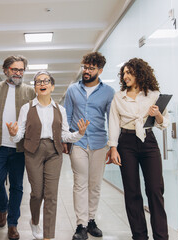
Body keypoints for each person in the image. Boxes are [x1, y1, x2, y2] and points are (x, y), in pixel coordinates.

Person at [6, 71, 90, 240]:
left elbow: (65, 135)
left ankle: (48, 236)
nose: (42, 84)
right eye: (38, 82)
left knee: (51, 194)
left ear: (52, 86)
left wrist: (79, 134)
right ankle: (35, 221)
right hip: (33, 151)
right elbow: (19, 134)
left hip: (54, 152)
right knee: (37, 193)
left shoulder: (60, 109)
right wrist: (13, 133)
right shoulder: (27, 108)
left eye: (46, 81)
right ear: (35, 87)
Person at [107, 58, 169, 240]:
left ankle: (161, 236)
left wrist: (157, 114)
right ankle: (139, 236)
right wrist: (113, 148)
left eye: (129, 72)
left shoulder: (153, 95)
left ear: (139, 73)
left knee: (155, 190)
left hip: (148, 141)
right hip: (126, 142)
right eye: (124, 73)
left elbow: (164, 124)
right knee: (132, 191)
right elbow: (113, 123)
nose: (125, 76)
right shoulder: (119, 97)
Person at [0, 55, 36, 240]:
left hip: (19, 148)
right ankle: (3, 208)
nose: (18, 73)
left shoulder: (30, 91)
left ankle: (13, 224)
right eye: (15, 69)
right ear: (6, 70)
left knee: (17, 186)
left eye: (21, 70)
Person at [64, 52, 115, 240]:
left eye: (91, 68)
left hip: (100, 143)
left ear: (100, 70)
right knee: (80, 183)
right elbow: (67, 118)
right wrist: (66, 140)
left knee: (95, 184)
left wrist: (112, 145)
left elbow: (111, 120)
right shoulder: (72, 90)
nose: (86, 71)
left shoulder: (109, 92)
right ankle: (81, 224)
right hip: (78, 142)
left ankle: (91, 219)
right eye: (85, 67)